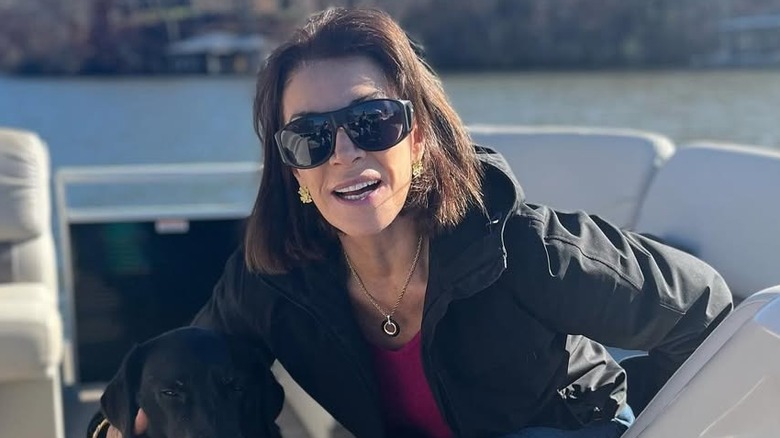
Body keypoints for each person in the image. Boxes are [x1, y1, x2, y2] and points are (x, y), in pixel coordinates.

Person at [98, 7, 733, 438]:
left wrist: (649, 425)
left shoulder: (525, 247)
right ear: (292, 167)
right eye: (310, 136)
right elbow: (188, 359)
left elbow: (705, 313)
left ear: (419, 136)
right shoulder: (272, 281)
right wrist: (115, 423)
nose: (345, 151)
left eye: (371, 121)